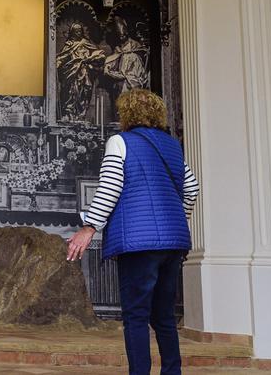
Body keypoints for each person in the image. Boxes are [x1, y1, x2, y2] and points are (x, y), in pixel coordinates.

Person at [66, 89, 200, 375]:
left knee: (136, 316)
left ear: (125, 113)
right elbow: (191, 188)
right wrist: (178, 219)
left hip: (139, 244)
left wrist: (89, 226)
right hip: (173, 243)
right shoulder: (172, 146)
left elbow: (111, 186)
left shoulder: (120, 141)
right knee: (164, 316)